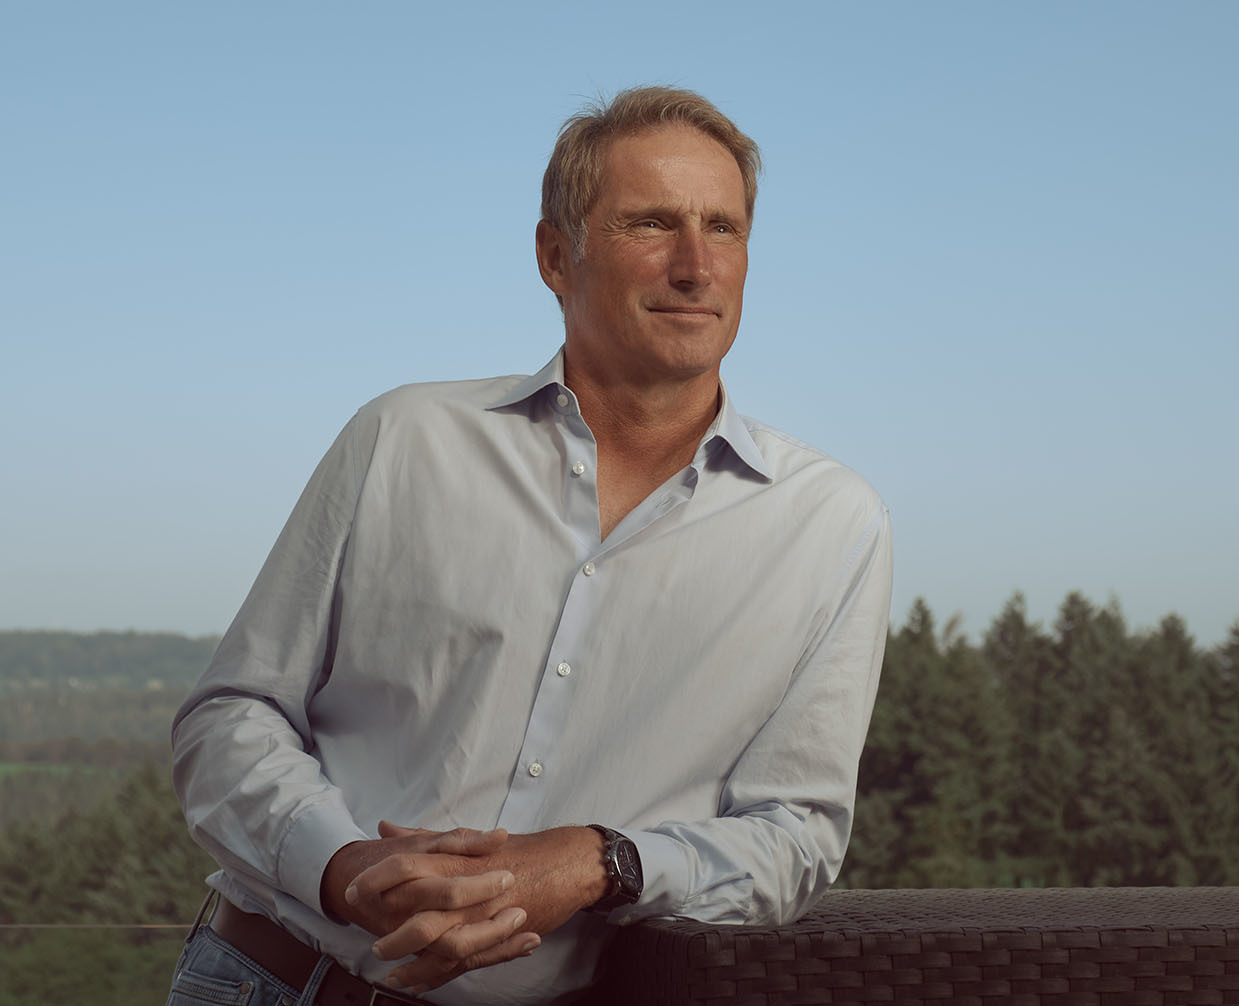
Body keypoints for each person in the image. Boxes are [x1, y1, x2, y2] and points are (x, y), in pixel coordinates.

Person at [167, 86, 893, 1006]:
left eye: (725, 228)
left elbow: (796, 836)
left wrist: (605, 862)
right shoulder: (403, 437)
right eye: (651, 224)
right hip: (273, 981)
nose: (696, 265)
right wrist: (342, 868)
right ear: (557, 255)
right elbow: (229, 716)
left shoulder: (833, 525)